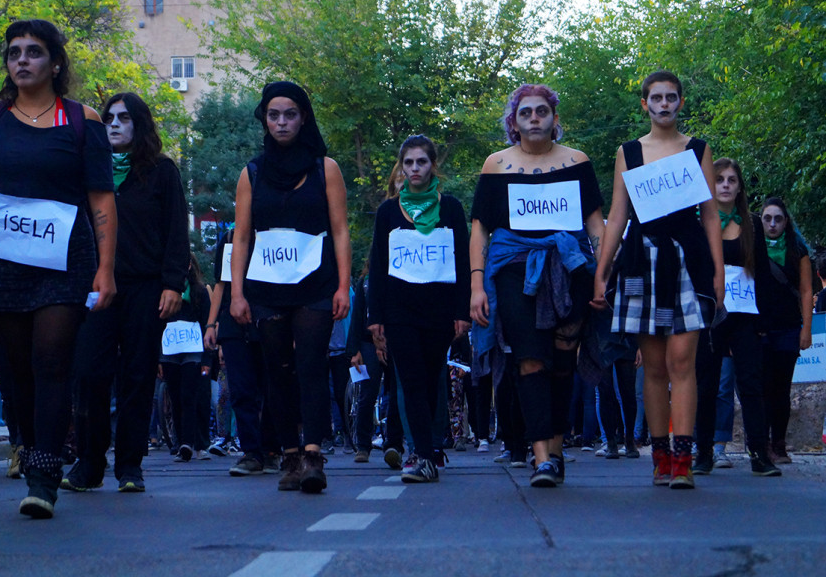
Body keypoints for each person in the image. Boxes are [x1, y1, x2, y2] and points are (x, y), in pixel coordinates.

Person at [0, 19, 117, 517]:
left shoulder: (81, 120)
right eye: (14, 52)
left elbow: (102, 199)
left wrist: (106, 267)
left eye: (34, 52)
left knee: (52, 359)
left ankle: (43, 477)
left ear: (55, 63)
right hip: (1, 263)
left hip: (64, 262)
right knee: (17, 370)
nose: (22, 60)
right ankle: (32, 446)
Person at [593, 71, 724, 490]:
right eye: (656, 98)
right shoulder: (628, 152)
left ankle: (684, 460)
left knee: (681, 361)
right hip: (641, 259)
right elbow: (618, 215)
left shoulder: (697, 149)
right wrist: (602, 270)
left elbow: (710, 214)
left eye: (671, 98)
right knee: (652, 365)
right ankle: (661, 455)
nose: (664, 104)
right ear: (645, 105)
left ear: (681, 103)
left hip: (688, 260)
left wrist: (719, 272)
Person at [471, 84, 605, 487]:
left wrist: (601, 276)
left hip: (570, 266)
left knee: (564, 360)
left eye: (542, 111)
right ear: (513, 121)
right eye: (526, 112)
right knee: (529, 357)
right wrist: (477, 284)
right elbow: (479, 229)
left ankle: (558, 446)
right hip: (513, 267)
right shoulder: (495, 165)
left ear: (554, 119)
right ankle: (541, 455)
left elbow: (596, 223)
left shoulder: (577, 162)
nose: (534, 118)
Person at [63, 92, 189, 494]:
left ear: (140, 125)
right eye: (108, 118)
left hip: (145, 288)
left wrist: (173, 284)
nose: (114, 124)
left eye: (124, 118)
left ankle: (130, 465)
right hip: (93, 289)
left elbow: (175, 233)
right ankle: (89, 462)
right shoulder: (88, 172)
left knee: (137, 376)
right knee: (88, 373)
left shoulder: (162, 172)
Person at [230, 81, 351, 494]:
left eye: (290, 114)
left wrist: (344, 286)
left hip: (316, 281)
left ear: (304, 118)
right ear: (264, 119)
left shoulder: (325, 168)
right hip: (266, 285)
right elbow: (241, 236)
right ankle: (289, 455)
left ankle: (314, 455)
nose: (282, 122)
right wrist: (236, 292)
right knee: (277, 370)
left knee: (312, 365)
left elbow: (340, 230)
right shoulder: (252, 173)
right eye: (274, 115)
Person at [367, 134, 470, 482]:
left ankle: (428, 449)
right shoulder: (387, 212)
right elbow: (378, 266)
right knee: (409, 380)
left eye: (421, 162)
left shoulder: (451, 208)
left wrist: (462, 311)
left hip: (439, 311)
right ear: (401, 166)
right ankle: (423, 455)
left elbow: (462, 260)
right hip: (399, 312)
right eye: (408, 162)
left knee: (430, 380)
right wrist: (375, 317)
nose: (415, 168)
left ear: (432, 165)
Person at [693, 158, 780, 476]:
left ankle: (760, 453)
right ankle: (703, 453)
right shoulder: (700, 221)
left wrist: (763, 323)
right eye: (720, 179)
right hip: (710, 316)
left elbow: (763, 274)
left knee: (751, 385)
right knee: (707, 385)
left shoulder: (752, 223)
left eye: (732, 180)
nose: (726, 185)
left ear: (740, 186)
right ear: (710, 184)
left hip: (745, 314)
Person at [204, 228, 281, 476]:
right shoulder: (228, 239)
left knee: (270, 388)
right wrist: (211, 323)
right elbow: (220, 284)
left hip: (268, 319)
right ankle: (251, 452)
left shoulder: (273, 235)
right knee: (240, 389)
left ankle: (270, 450)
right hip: (233, 324)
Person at [760, 197, 812, 463]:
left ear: (786, 222)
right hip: (759, 327)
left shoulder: (797, 250)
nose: (772, 224)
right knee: (762, 387)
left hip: (788, 327)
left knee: (781, 388)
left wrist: (806, 329)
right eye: (767, 218)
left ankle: (778, 444)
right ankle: (761, 443)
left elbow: (806, 290)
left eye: (777, 219)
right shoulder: (754, 248)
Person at [162, 255, 211, 462]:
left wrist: (207, 360)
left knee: (189, 396)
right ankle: (180, 441)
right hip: (170, 352)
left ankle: (188, 443)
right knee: (174, 396)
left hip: (193, 351)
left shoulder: (199, 292)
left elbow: (206, 323)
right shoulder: (163, 292)